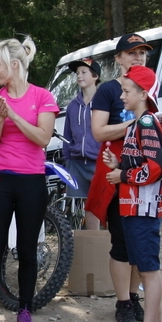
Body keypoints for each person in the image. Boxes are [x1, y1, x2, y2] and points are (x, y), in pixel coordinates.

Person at [0, 38, 59, 322]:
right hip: (0, 180)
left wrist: (13, 115)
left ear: (13, 64)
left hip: (31, 181)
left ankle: (25, 310)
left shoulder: (42, 96)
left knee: (27, 250)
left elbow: (43, 138)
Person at [88, 34, 154, 322]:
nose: (138, 57)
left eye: (142, 53)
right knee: (122, 242)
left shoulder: (150, 88)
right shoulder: (108, 90)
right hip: (116, 175)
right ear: (118, 59)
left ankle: (134, 297)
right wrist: (133, 124)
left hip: (144, 175)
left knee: (141, 243)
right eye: (132, 53)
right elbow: (98, 132)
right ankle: (123, 302)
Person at [104, 66, 162, 322]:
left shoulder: (146, 124)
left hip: (143, 210)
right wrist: (116, 165)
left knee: (148, 271)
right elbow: (138, 164)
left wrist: (123, 176)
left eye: (126, 91)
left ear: (143, 94)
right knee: (143, 269)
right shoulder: (135, 125)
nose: (121, 95)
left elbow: (155, 168)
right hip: (132, 209)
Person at [60, 58, 102, 230]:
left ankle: (107, 240)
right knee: (84, 206)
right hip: (77, 163)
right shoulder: (72, 106)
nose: (79, 76)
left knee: (100, 202)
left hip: (98, 162)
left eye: (84, 72)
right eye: (77, 73)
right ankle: (90, 241)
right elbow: (67, 136)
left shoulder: (103, 102)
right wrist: (68, 159)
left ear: (95, 76)